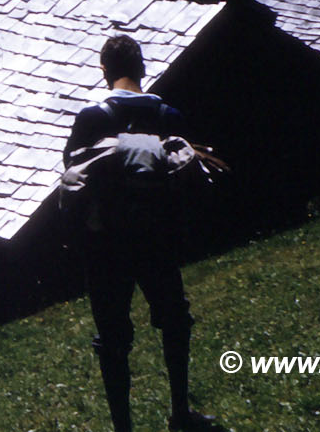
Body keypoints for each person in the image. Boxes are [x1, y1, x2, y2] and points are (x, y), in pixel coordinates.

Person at [64, 33, 217, 432]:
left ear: (105, 72)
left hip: (105, 244)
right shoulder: (168, 116)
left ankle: (123, 428)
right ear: (142, 69)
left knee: (112, 337)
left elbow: (72, 173)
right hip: (156, 238)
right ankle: (181, 413)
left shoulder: (92, 118)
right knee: (174, 321)